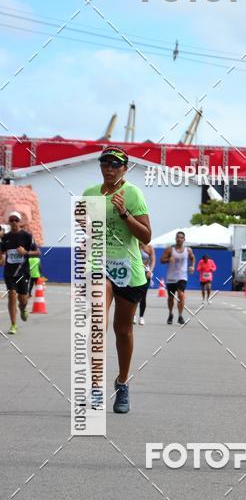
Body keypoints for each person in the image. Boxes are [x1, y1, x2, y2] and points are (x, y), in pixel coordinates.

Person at [83, 146, 151, 414]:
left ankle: (122, 383)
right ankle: (96, 385)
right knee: (98, 321)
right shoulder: (89, 194)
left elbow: (146, 237)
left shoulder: (133, 193)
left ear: (125, 168)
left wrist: (125, 214)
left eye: (115, 164)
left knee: (123, 331)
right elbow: (86, 229)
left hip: (128, 268)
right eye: (104, 163)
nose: (109, 168)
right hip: (98, 263)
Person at [0, 211, 40, 334]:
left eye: (16, 220)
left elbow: (38, 252)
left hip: (23, 272)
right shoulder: (5, 238)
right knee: (12, 294)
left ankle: (22, 308)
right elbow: (2, 254)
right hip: (10, 272)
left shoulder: (27, 236)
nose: (14, 222)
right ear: (9, 222)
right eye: (11, 220)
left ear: (20, 222)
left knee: (23, 299)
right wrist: (1, 259)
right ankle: (13, 325)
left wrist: (26, 252)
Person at [160, 231, 194, 324]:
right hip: (171, 277)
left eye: (181, 237)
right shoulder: (170, 249)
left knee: (181, 295)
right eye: (178, 237)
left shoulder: (188, 250)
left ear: (184, 239)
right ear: (175, 239)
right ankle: (170, 314)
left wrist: (192, 266)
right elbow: (161, 260)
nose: (179, 239)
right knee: (171, 297)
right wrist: (168, 260)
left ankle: (180, 315)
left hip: (182, 276)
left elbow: (192, 257)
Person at [133, 242, 155, 325]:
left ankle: (141, 317)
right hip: (135, 273)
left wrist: (150, 271)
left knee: (143, 296)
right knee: (134, 295)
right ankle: (133, 315)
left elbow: (153, 260)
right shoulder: (134, 245)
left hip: (146, 274)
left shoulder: (149, 247)